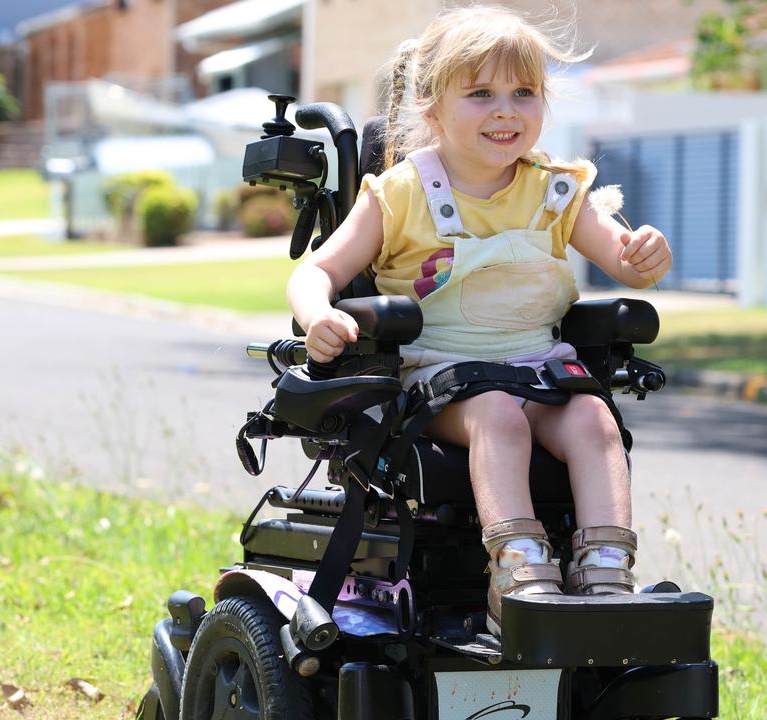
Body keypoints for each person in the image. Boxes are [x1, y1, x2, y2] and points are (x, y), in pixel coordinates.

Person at [285, 6, 673, 635]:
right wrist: (318, 315)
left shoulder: (556, 190)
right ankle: (517, 571)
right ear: (432, 108)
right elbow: (315, 272)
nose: (506, 110)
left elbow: (628, 265)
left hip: (537, 368)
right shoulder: (399, 193)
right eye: (481, 94)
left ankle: (605, 571)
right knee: (497, 416)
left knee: (595, 418)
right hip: (438, 376)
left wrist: (645, 255)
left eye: (524, 93)